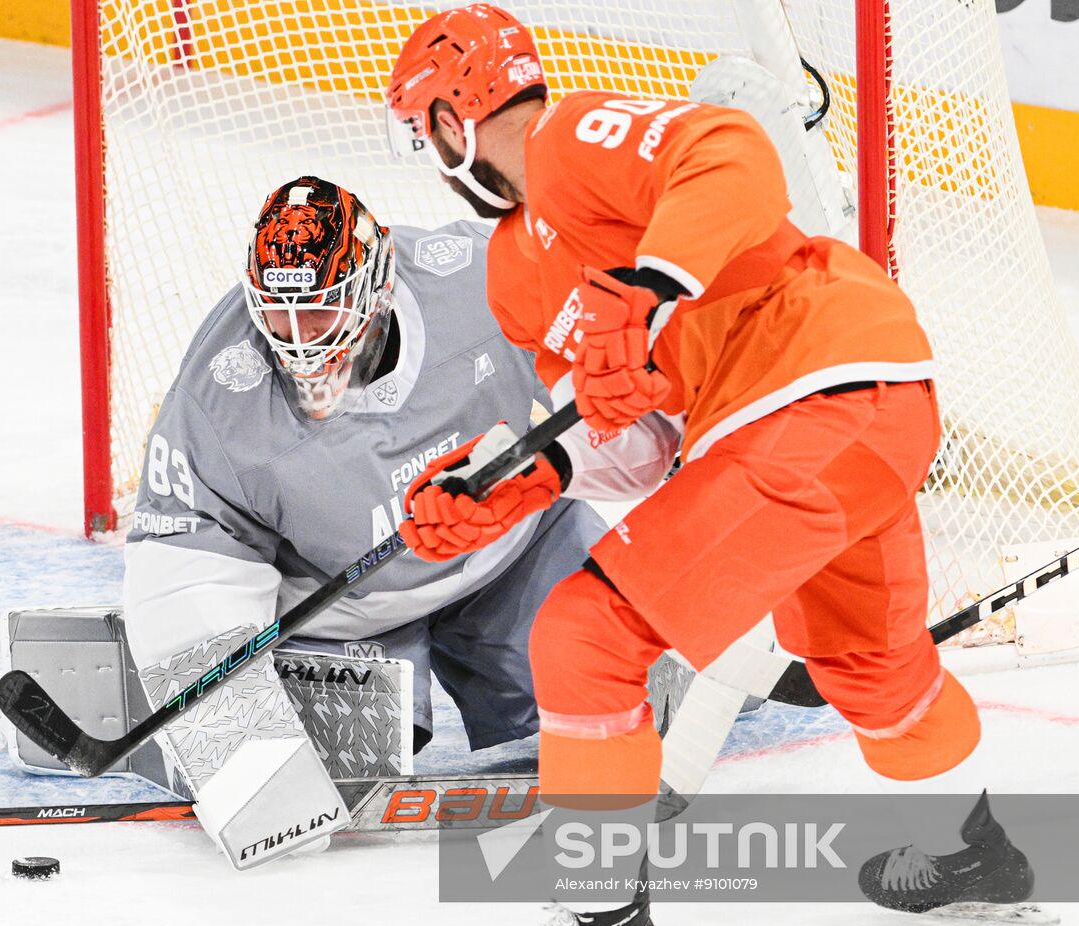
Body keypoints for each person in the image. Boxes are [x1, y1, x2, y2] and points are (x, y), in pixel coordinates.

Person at [386, 6, 1033, 926]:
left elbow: (730, 153)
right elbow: (628, 440)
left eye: (422, 128)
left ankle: (599, 922)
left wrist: (649, 281)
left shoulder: (567, 139)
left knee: (585, 633)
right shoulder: (516, 273)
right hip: (840, 416)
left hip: (807, 370)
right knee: (872, 676)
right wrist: (511, 481)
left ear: (448, 118)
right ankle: (975, 844)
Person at [122, 174, 681, 764]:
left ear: (375, 284)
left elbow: (618, 350)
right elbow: (189, 557)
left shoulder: (476, 279)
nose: (302, 337)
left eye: (321, 308)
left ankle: (671, 637)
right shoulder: (218, 391)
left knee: (624, 699)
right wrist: (233, 752)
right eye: (282, 314)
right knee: (344, 774)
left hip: (512, 552)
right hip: (348, 612)